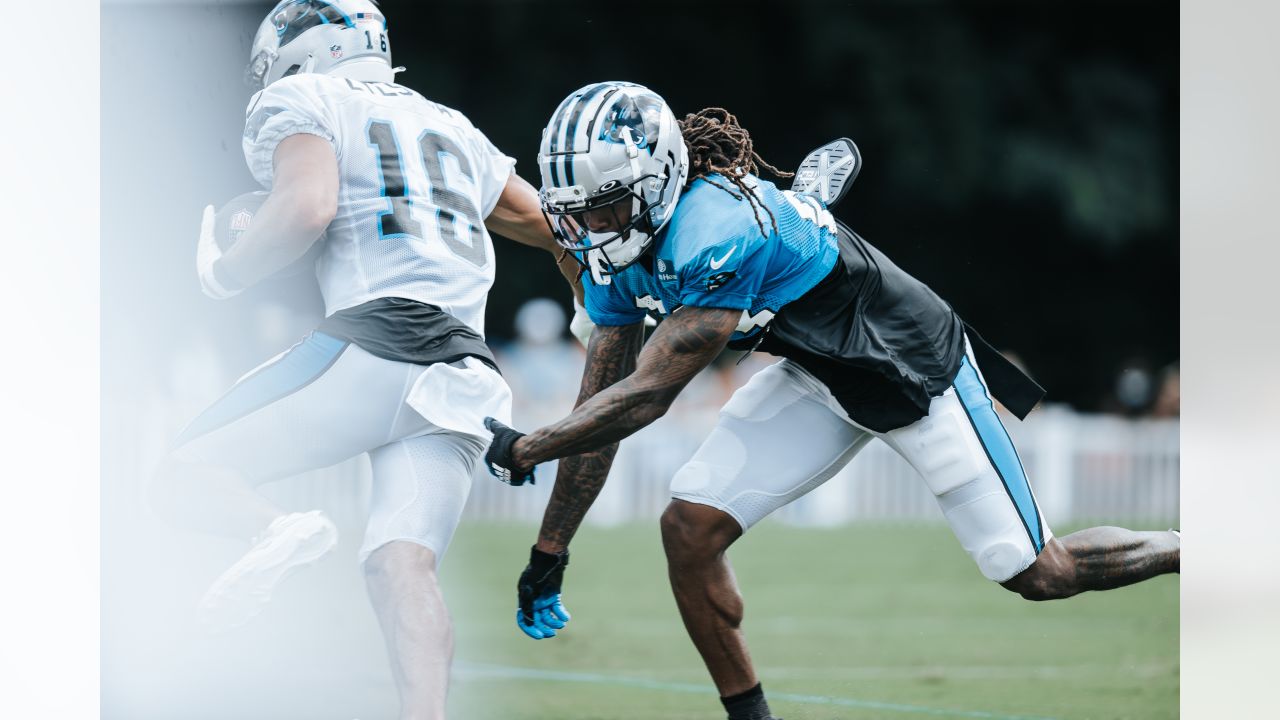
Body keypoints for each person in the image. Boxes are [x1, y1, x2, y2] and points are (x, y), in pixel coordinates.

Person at [483, 81, 1181, 720]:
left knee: (1038, 572)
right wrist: (551, 551)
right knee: (687, 530)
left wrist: (527, 445)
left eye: (606, 207)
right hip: (818, 379)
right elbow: (600, 411)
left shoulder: (718, 230)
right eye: (578, 212)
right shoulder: (621, 257)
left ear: (659, 179)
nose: (593, 228)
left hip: (913, 373)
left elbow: (646, 398)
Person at [149, 3, 579, 719]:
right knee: (401, 564)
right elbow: (552, 225)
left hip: (376, 341)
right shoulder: (451, 124)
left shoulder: (305, 96)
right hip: (467, 379)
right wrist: (590, 310)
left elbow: (308, 206)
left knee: (180, 474)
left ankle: (273, 528)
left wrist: (227, 271)